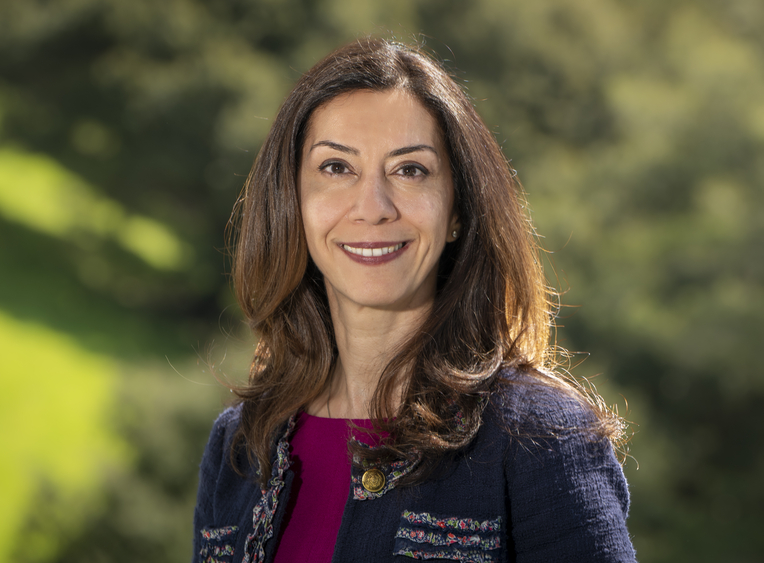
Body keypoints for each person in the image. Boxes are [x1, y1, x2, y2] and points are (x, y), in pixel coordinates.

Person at [193, 37, 636, 563]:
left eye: (410, 170)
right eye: (336, 167)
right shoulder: (241, 444)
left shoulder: (539, 437)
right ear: (293, 201)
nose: (372, 207)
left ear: (457, 211)